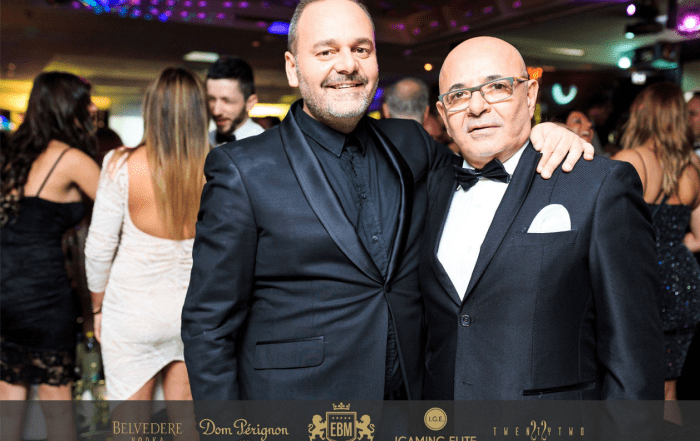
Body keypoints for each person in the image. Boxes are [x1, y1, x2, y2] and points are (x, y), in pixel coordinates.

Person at [181, 0, 592, 401]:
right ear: (293, 67)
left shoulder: (409, 143)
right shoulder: (242, 169)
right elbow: (208, 326)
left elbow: (486, 171)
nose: (347, 65)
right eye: (326, 51)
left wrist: (541, 135)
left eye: (361, 49)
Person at [420, 36, 663, 400]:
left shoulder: (597, 186)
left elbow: (634, 354)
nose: (477, 106)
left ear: (530, 95)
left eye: (497, 87)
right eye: (458, 95)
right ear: (443, 114)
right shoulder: (429, 189)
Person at [85, 68, 210, 408]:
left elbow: (98, 249)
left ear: (151, 110)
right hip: (194, 313)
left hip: (133, 312)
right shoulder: (219, 166)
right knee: (187, 420)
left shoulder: (120, 164)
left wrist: (97, 308)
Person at [1, 71, 100, 440]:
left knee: (8, 401)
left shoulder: (13, 155)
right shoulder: (71, 158)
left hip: (5, 291)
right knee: (57, 410)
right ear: (65, 107)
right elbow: (121, 213)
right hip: (42, 293)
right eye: (84, 101)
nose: (92, 108)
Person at [614, 82, 700, 401]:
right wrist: (670, 249)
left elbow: (608, 233)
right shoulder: (693, 166)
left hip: (643, 282)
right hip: (685, 282)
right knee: (669, 385)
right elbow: (699, 238)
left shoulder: (629, 160)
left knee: (636, 384)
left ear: (643, 113)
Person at [206, 56, 264, 146]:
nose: (216, 111)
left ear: (250, 103)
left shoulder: (263, 145)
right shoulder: (205, 139)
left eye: (227, 101)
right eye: (211, 99)